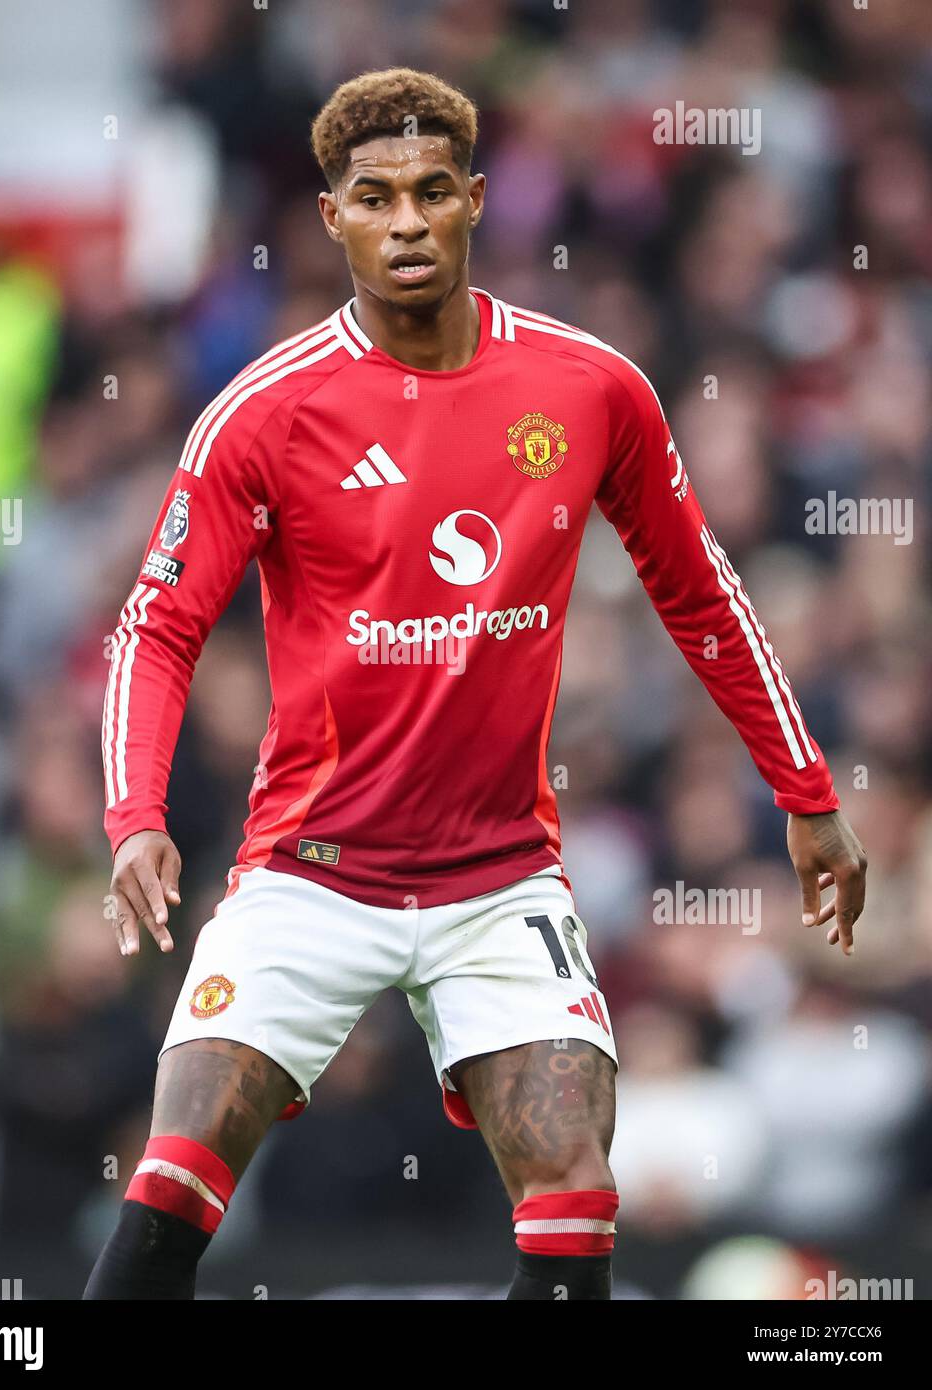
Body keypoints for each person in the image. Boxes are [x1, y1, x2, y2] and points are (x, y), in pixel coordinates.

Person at [84, 67, 867, 1301]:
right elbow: (157, 623)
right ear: (332, 217)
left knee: (574, 1192)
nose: (406, 222)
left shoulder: (588, 387)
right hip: (308, 871)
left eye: (433, 192)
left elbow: (700, 592)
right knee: (172, 1181)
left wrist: (805, 790)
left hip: (498, 878)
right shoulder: (265, 413)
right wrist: (134, 817)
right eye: (374, 197)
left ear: (475, 203)